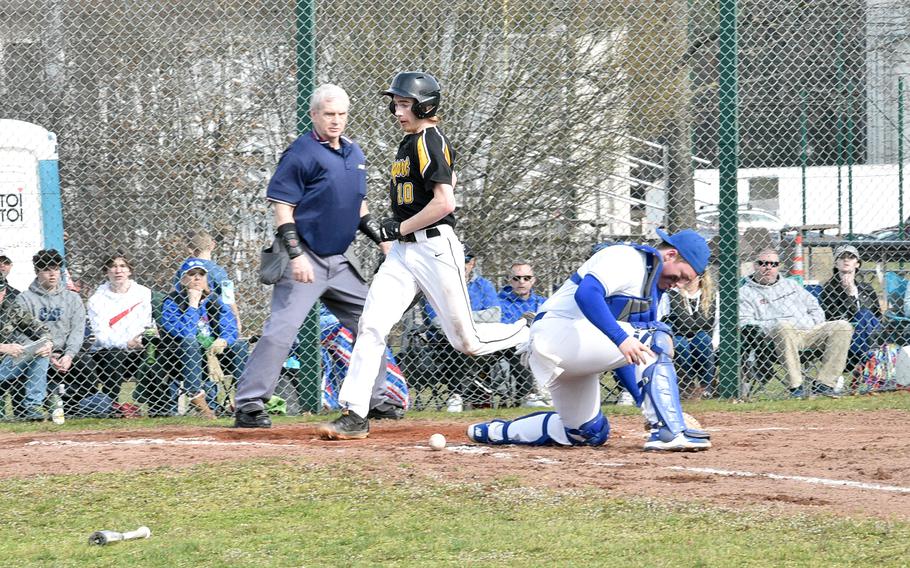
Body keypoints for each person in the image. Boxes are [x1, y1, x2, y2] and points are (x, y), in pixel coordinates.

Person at [316, 71, 529, 440]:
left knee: (467, 342)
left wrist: (399, 227)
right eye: (396, 104)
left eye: (404, 104)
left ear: (425, 105)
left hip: (434, 248)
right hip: (403, 254)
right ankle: (354, 413)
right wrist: (397, 230)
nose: (398, 111)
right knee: (371, 325)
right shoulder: (408, 142)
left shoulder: (430, 140)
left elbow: (445, 202)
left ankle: (526, 329)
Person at [231, 83, 395, 428]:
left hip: (339, 259)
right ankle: (248, 405)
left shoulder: (354, 153)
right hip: (304, 258)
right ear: (314, 115)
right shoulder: (301, 153)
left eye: (341, 114)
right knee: (282, 330)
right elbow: (282, 208)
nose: (336, 121)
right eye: (329, 114)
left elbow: (358, 206)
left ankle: (374, 399)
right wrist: (295, 256)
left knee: (373, 322)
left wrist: (381, 240)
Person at [466, 229, 712, 451]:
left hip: (574, 351)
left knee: (586, 433)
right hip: (558, 333)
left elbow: (631, 357)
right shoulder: (628, 258)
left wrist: (646, 404)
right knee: (657, 335)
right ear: (670, 255)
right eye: (681, 275)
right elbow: (588, 294)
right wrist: (621, 339)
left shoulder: (651, 292)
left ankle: (494, 432)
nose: (678, 284)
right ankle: (669, 431)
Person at [740, 248, 852, 397]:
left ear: (778, 266)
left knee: (843, 327)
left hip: (809, 333)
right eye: (763, 263)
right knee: (783, 326)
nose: (768, 267)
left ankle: (824, 384)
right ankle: (796, 387)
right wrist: (777, 324)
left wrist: (811, 324)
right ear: (755, 265)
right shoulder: (745, 292)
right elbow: (746, 322)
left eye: (773, 264)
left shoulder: (791, 285)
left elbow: (814, 307)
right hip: (776, 341)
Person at [159, 259, 244, 419]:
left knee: (240, 345)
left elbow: (230, 327)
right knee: (190, 341)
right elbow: (185, 333)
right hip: (183, 356)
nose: (197, 278)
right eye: (192, 274)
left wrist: (224, 340)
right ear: (182, 280)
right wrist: (193, 304)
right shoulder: (172, 302)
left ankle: (245, 399)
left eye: (201, 274)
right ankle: (196, 397)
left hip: (214, 352)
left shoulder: (215, 300)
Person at [423, 244, 503, 412]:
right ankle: (455, 395)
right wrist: (474, 319)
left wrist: (459, 317)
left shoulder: (484, 285)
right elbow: (437, 321)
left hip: (482, 339)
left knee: (512, 343)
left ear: (472, 263)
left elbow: (494, 315)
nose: (461, 265)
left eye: (465, 261)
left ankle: (526, 395)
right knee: (457, 339)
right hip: (446, 342)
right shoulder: (437, 285)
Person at [15, 249, 86, 416]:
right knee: (40, 358)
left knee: (87, 364)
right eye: (46, 269)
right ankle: (33, 407)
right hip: (37, 352)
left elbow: (77, 330)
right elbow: (19, 334)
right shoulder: (24, 299)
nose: (52, 274)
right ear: (37, 271)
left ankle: (83, 407)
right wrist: (45, 352)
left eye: (56, 269)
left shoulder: (72, 298)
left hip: (67, 352)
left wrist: (69, 355)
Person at [85, 252, 155, 405]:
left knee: (156, 354)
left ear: (130, 270)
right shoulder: (97, 299)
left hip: (139, 347)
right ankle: (111, 406)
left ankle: (158, 407)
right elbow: (101, 335)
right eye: (113, 266)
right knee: (114, 355)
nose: (118, 271)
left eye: (123, 266)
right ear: (106, 271)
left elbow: (147, 323)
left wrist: (141, 340)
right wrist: (126, 343)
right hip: (109, 352)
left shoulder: (143, 293)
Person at [0, 272, 53, 420]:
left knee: (41, 352)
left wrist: (47, 342)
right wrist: (3, 347)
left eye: (0, 291)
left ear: (4, 291)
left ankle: (33, 405)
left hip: (5, 365)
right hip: (4, 356)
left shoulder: (10, 308)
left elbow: (39, 328)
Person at [821, 245, 883, 370]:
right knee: (864, 314)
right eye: (842, 257)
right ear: (836, 263)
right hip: (847, 336)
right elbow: (835, 317)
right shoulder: (829, 290)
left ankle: (869, 357)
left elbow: (877, 315)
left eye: (851, 257)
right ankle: (872, 358)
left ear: (857, 264)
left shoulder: (867, 288)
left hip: (871, 333)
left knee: (867, 315)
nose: (846, 260)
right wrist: (849, 295)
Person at [497, 261, 550, 407]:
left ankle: (551, 393)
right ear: (510, 280)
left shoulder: (543, 302)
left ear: (533, 280)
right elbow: (504, 328)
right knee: (521, 349)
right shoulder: (500, 302)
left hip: (540, 342)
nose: (521, 282)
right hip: (512, 345)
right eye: (516, 278)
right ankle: (528, 396)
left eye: (526, 278)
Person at [663, 270, 719, 398]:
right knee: (680, 343)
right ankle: (687, 386)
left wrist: (714, 344)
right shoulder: (670, 295)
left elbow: (718, 325)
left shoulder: (713, 295)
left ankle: (706, 386)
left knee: (703, 339)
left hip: (704, 340)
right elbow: (664, 322)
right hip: (678, 336)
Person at [173, 231, 241, 332]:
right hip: (211, 319)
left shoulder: (183, 268)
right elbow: (228, 296)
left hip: (185, 314)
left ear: (189, 249)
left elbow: (175, 291)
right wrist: (237, 319)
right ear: (212, 245)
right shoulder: (217, 270)